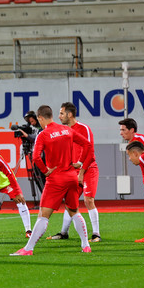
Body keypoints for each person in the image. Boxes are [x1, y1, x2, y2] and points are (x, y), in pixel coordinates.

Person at [10, 105, 94, 256]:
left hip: (56, 179)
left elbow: (35, 158)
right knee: (74, 211)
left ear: (41, 118)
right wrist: (80, 162)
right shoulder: (67, 130)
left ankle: (28, 249)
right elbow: (87, 145)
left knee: (43, 215)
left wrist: (45, 171)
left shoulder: (44, 134)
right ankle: (85, 245)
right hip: (71, 177)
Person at [47, 102, 101, 242]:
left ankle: (96, 234)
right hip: (73, 172)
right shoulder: (64, 131)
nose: (59, 116)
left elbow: (90, 151)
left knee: (88, 200)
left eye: (61, 113)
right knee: (70, 202)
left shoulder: (84, 128)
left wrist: (82, 171)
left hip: (88, 169)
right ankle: (64, 232)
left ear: (69, 114)